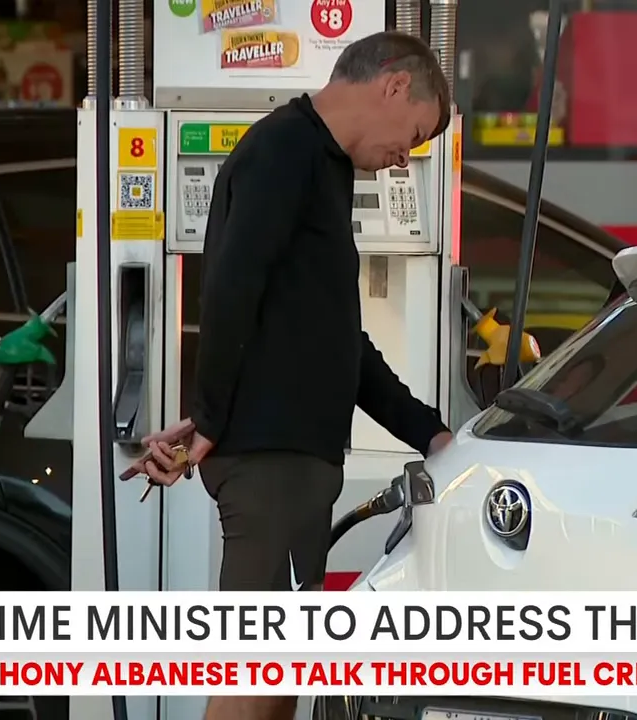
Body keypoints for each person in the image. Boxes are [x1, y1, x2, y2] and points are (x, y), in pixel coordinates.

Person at [129, 31, 454, 720]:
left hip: (297, 461)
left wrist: (430, 432)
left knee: (278, 686)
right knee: (252, 679)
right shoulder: (284, 150)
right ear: (394, 84)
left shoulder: (322, 166)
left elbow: (338, 340)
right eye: (414, 135)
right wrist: (212, 419)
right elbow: (231, 288)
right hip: (270, 464)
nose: (405, 158)